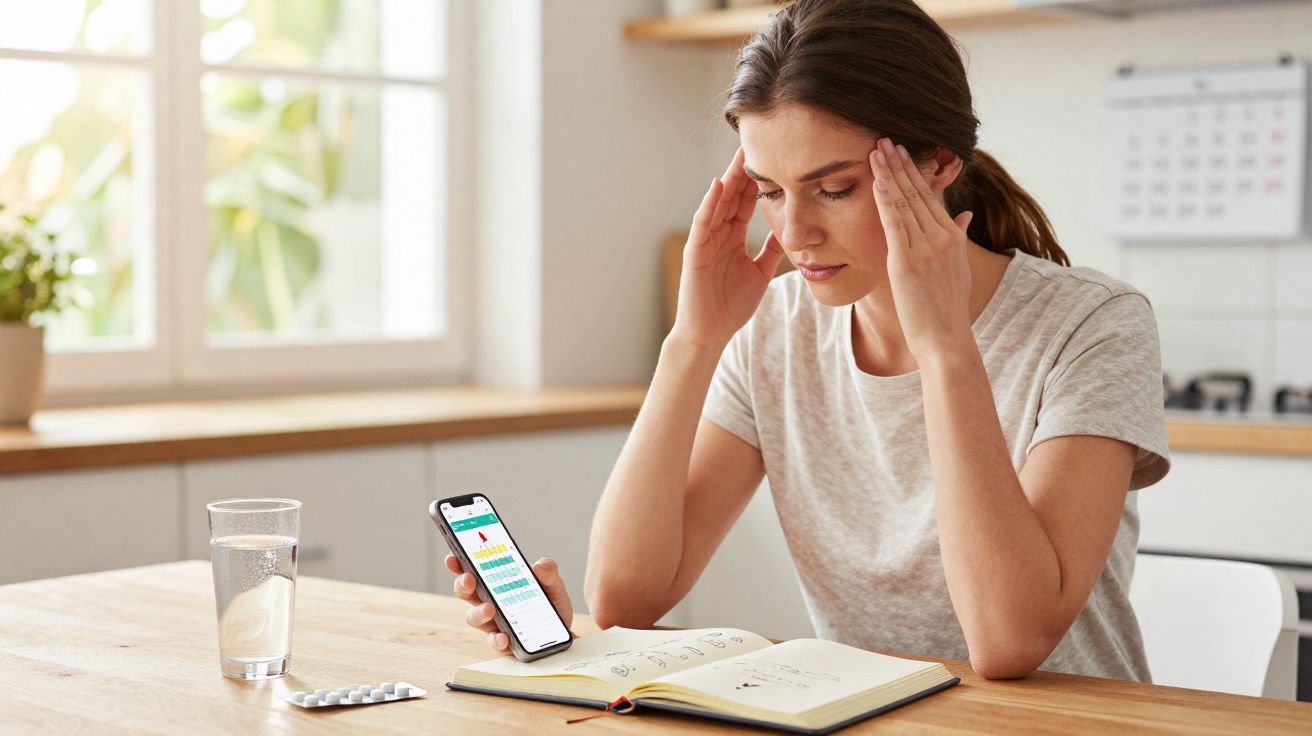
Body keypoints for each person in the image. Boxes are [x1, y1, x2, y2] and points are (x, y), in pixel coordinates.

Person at [445, 0, 1170, 682]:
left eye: (834, 189)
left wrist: (945, 349)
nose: (795, 234)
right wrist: (693, 338)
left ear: (940, 164)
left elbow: (1010, 641)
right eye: (769, 191)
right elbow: (624, 598)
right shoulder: (774, 327)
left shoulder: (1093, 324)